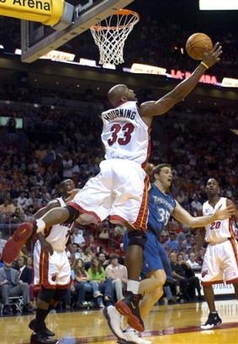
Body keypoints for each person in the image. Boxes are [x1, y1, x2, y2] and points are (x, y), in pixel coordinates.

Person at [2, 43, 223, 337]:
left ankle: (36, 223)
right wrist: (203, 67)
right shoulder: (141, 109)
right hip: (131, 172)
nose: (134, 92)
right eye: (129, 91)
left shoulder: (106, 120)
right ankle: (131, 296)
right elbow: (176, 95)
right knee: (138, 233)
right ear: (122, 98)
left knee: (72, 209)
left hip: (106, 169)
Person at [106, 163, 235, 344]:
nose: (170, 175)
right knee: (158, 279)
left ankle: (129, 331)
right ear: (156, 175)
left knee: (158, 290)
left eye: (171, 172)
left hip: (155, 240)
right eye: (166, 172)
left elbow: (191, 221)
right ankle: (119, 305)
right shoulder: (148, 188)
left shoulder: (171, 201)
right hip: (141, 234)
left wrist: (214, 217)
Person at [28, 179, 76, 344]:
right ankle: (37, 334)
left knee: (62, 290)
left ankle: (38, 323)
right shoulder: (55, 203)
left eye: (72, 184)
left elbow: (67, 232)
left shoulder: (75, 208)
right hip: (46, 249)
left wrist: (73, 252)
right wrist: (42, 241)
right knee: (47, 290)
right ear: (61, 188)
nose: (71, 186)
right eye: (67, 184)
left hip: (61, 251)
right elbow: (33, 221)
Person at [199, 178, 238, 330]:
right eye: (208, 184)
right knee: (206, 282)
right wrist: (197, 248)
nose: (210, 186)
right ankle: (213, 315)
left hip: (227, 243)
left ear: (218, 187)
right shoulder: (203, 207)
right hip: (211, 246)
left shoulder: (227, 202)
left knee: (236, 281)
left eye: (213, 183)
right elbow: (201, 230)